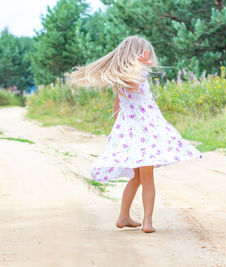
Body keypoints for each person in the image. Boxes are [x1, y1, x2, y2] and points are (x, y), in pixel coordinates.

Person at [68, 35, 203, 233]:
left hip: (134, 134)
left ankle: (123, 216)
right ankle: (147, 222)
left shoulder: (121, 76)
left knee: (137, 178)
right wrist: (141, 67)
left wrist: (119, 129)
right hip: (144, 135)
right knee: (147, 178)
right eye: (145, 54)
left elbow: (117, 106)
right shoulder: (133, 76)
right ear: (137, 55)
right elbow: (133, 86)